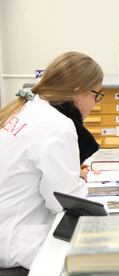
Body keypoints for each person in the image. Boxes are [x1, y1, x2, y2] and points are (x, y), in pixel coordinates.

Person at [0, 51, 103, 269]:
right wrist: (77, 181)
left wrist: (71, 175)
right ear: (77, 90)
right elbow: (63, 200)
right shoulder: (57, 125)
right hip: (15, 241)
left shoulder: (27, 109)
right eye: (96, 95)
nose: (95, 104)